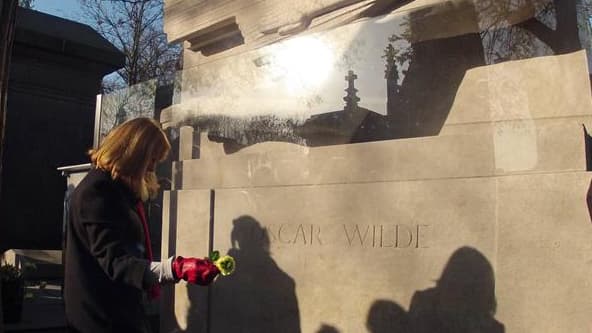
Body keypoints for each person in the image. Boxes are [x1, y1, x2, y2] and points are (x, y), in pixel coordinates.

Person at [64, 117, 219, 333]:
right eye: (152, 159)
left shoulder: (117, 190)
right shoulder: (97, 192)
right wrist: (174, 269)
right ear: (134, 153)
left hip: (120, 313)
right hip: (102, 320)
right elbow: (117, 263)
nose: (153, 167)